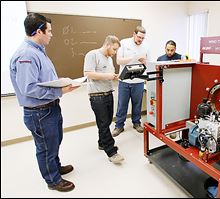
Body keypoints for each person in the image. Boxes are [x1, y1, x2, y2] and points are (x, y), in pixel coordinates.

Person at [9, 13, 78, 192]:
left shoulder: (38, 50)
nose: (52, 35)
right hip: (39, 112)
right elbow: (29, 88)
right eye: (49, 31)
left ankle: (55, 168)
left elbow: (42, 79)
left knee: (54, 143)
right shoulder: (27, 54)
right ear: (39, 31)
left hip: (49, 108)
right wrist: (60, 90)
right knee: (46, 148)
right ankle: (53, 180)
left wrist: (59, 82)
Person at [83, 35, 124, 164]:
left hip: (108, 94)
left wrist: (114, 76)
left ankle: (102, 143)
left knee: (106, 122)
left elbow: (107, 76)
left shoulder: (109, 59)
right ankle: (111, 151)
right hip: (97, 96)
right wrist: (108, 76)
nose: (115, 52)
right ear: (108, 45)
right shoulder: (92, 54)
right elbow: (88, 73)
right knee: (103, 123)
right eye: (114, 49)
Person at [112, 26, 149, 137]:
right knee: (122, 104)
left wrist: (144, 61)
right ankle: (119, 126)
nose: (140, 40)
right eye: (139, 37)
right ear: (134, 34)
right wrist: (132, 57)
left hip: (139, 80)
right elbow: (118, 61)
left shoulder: (146, 46)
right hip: (125, 80)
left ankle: (136, 123)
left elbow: (148, 63)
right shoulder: (124, 43)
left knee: (137, 104)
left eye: (142, 38)